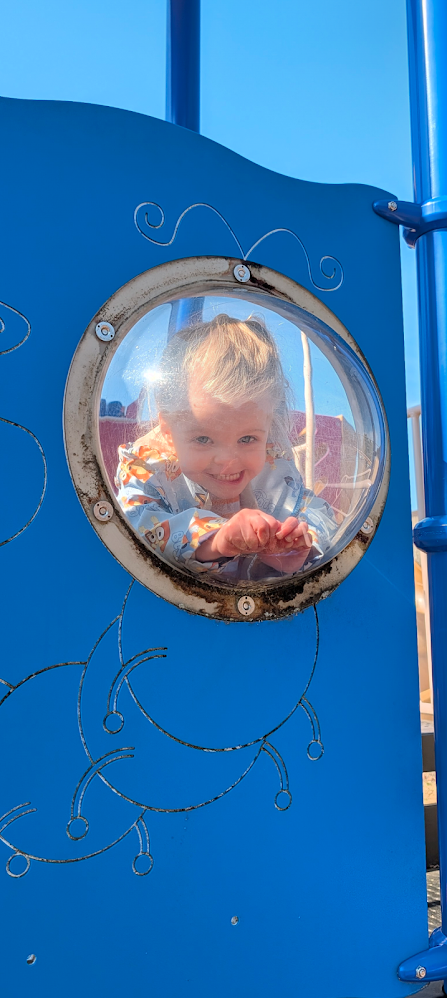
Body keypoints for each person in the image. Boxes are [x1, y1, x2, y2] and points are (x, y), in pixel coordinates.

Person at [115, 313, 336, 583]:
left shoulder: (274, 472)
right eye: (203, 439)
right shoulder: (150, 471)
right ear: (169, 433)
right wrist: (217, 540)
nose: (228, 460)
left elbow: (320, 513)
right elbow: (140, 527)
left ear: (268, 428)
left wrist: (298, 543)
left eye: (247, 439)